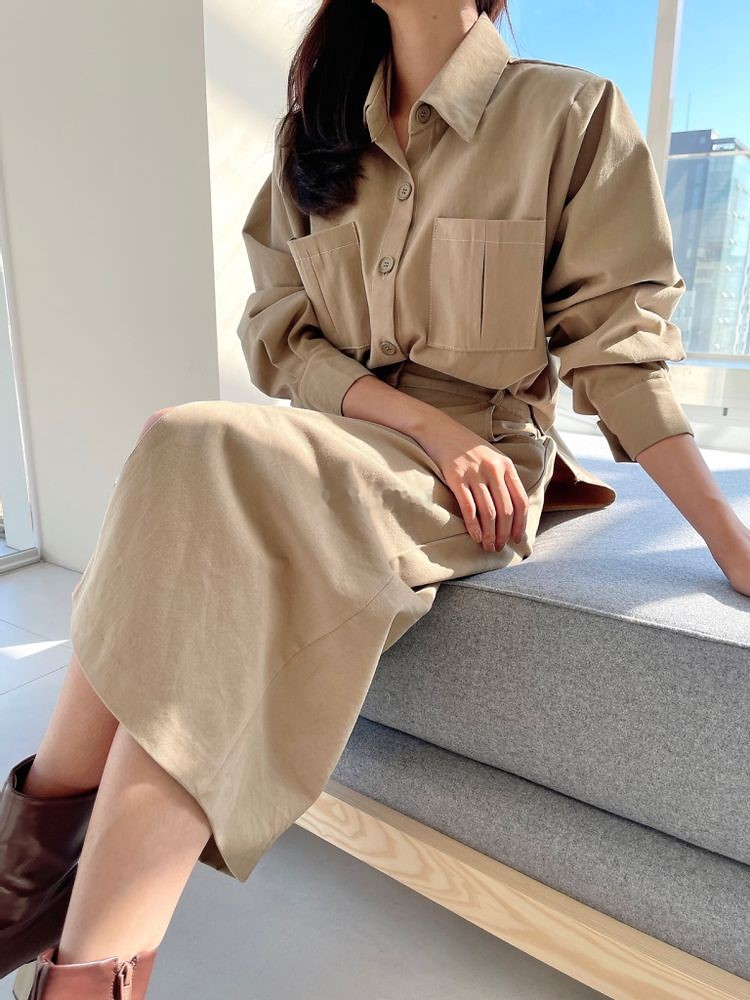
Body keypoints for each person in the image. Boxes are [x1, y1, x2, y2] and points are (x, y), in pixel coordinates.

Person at [2, 1, 749, 996]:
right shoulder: (313, 133)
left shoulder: (569, 113)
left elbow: (618, 352)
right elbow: (280, 336)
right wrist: (420, 423)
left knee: (191, 447)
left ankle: (34, 898)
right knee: (184, 450)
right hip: (358, 437)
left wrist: (729, 539)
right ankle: (72, 946)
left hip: (478, 473)